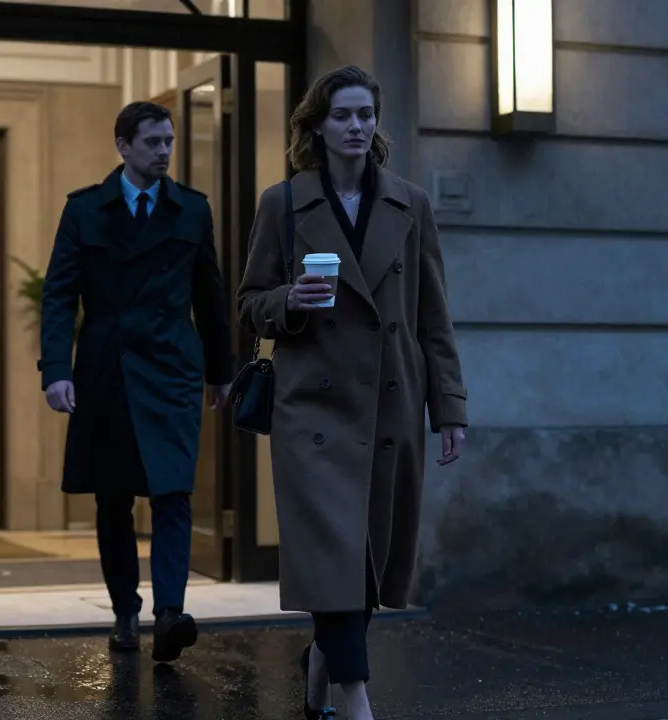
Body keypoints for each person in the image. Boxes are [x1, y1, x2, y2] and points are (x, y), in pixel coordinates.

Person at [236, 66, 467, 720]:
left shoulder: (410, 204)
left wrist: (450, 408)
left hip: (390, 399)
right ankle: (352, 696)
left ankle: (322, 661)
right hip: (312, 407)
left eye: (366, 114)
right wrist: (289, 302)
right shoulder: (283, 204)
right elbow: (249, 305)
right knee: (334, 550)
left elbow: (433, 317)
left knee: (365, 557)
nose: (358, 126)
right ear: (317, 125)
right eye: (343, 115)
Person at [39, 101, 233, 664]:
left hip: (172, 368)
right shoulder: (84, 210)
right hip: (106, 370)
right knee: (113, 498)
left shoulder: (191, 211)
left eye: (168, 141)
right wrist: (56, 371)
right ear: (122, 145)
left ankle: (169, 614)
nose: (164, 151)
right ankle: (125, 609)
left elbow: (211, 296)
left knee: (174, 491)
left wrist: (221, 371)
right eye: (152, 142)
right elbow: (59, 295)